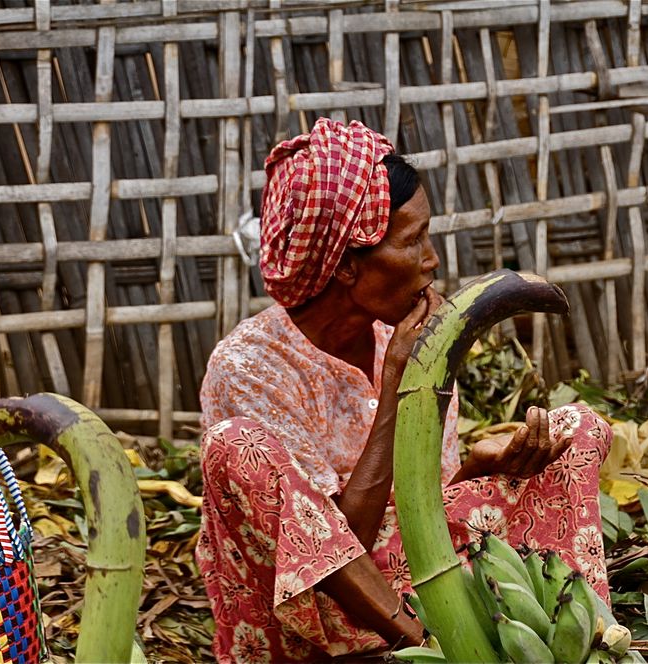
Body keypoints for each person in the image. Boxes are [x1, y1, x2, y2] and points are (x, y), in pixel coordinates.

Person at [196, 118, 612, 662]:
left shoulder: (407, 335)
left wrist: (478, 470)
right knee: (235, 446)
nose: (432, 259)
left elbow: (424, 518)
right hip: (311, 623)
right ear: (347, 264)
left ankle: (576, 634)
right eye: (412, 240)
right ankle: (436, 649)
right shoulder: (249, 367)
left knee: (576, 430)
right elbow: (333, 556)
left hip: (424, 582)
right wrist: (397, 390)